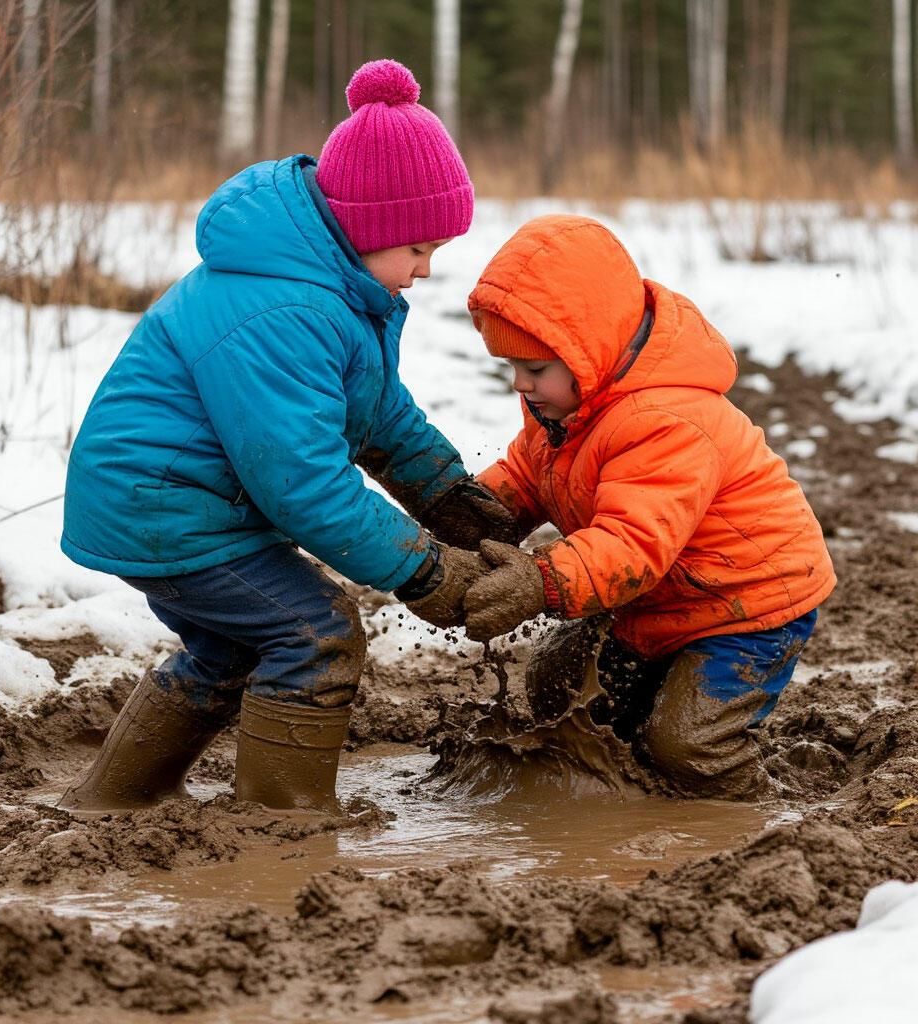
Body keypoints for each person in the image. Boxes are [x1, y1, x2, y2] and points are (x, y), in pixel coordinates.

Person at [57, 60, 514, 815]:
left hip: (178, 502)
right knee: (317, 634)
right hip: (167, 509)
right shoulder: (284, 310)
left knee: (228, 647)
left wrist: (448, 494)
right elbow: (303, 483)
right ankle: (284, 826)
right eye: (419, 251)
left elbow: (375, 411)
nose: (427, 272)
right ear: (371, 229)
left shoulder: (331, 289)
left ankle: (114, 800)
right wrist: (424, 571)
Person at [460, 215, 836, 798]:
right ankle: (634, 759)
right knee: (559, 683)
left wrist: (540, 582)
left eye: (534, 369)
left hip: (745, 604)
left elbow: (632, 544)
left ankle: (757, 807)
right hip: (659, 600)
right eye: (510, 367)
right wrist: (476, 510)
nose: (520, 385)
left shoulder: (664, 420)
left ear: (590, 354)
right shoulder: (561, 408)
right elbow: (529, 474)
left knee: (686, 746)